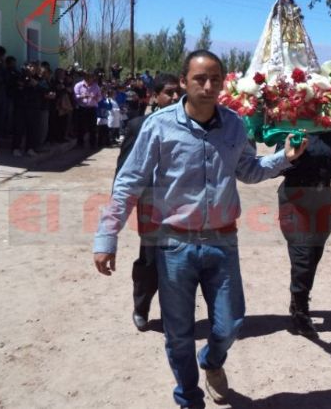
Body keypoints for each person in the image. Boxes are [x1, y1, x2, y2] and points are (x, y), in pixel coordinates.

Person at [93, 50, 308, 408]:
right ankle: (188, 397)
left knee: (231, 323)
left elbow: (249, 170)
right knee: (179, 334)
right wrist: (106, 236)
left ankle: (211, 361)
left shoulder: (235, 125)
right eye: (199, 79)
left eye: (215, 80)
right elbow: (129, 182)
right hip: (173, 246)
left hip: (223, 242)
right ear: (183, 82)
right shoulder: (159, 126)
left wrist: (283, 159)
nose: (208, 86)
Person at [277, 132, 331, 338]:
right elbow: (276, 167)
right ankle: (301, 311)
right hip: (294, 201)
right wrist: (291, 155)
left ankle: (298, 297)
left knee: (314, 254)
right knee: (303, 256)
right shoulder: (291, 127)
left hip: (322, 203)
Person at [116, 73, 182, 332]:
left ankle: (172, 313)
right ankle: (141, 306)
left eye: (178, 92)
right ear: (155, 96)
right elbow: (124, 173)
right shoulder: (138, 126)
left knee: (177, 264)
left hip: (181, 209)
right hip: (151, 209)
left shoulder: (191, 126)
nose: (175, 97)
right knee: (150, 262)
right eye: (169, 92)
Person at [73, 72, 101, 148]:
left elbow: (99, 97)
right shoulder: (78, 85)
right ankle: (80, 143)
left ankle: (93, 144)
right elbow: (75, 96)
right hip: (82, 108)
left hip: (92, 108)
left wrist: (95, 97)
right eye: (89, 77)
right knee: (81, 126)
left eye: (92, 77)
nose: (91, 79)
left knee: (93, 127)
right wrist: (83, 96)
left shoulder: (96, 86)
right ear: (85, 78)